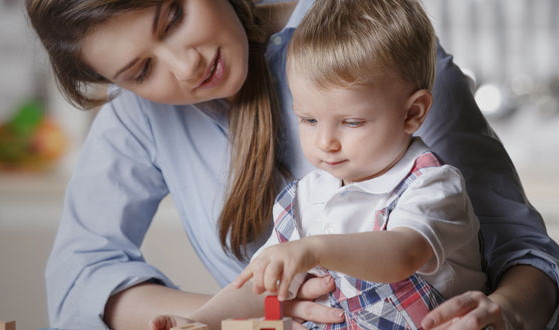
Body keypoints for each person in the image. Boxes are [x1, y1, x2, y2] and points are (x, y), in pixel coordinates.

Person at [25, 0, 559, 329]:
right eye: (140, 70)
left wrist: (502, 316)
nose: (186, 65)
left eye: (173, 16)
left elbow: (527, 257)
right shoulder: (142, 116)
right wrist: (242, 317)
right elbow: (80, 275)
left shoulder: (366, 56)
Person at [148, 0, 485, 328]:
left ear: (412, 113)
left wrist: (314, 249)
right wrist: (198, 321)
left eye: (352, 122)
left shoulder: (432, 185)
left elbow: (403, 255)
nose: (325, 142)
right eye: (308, 119)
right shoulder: (306, 198)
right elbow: (261, 287)